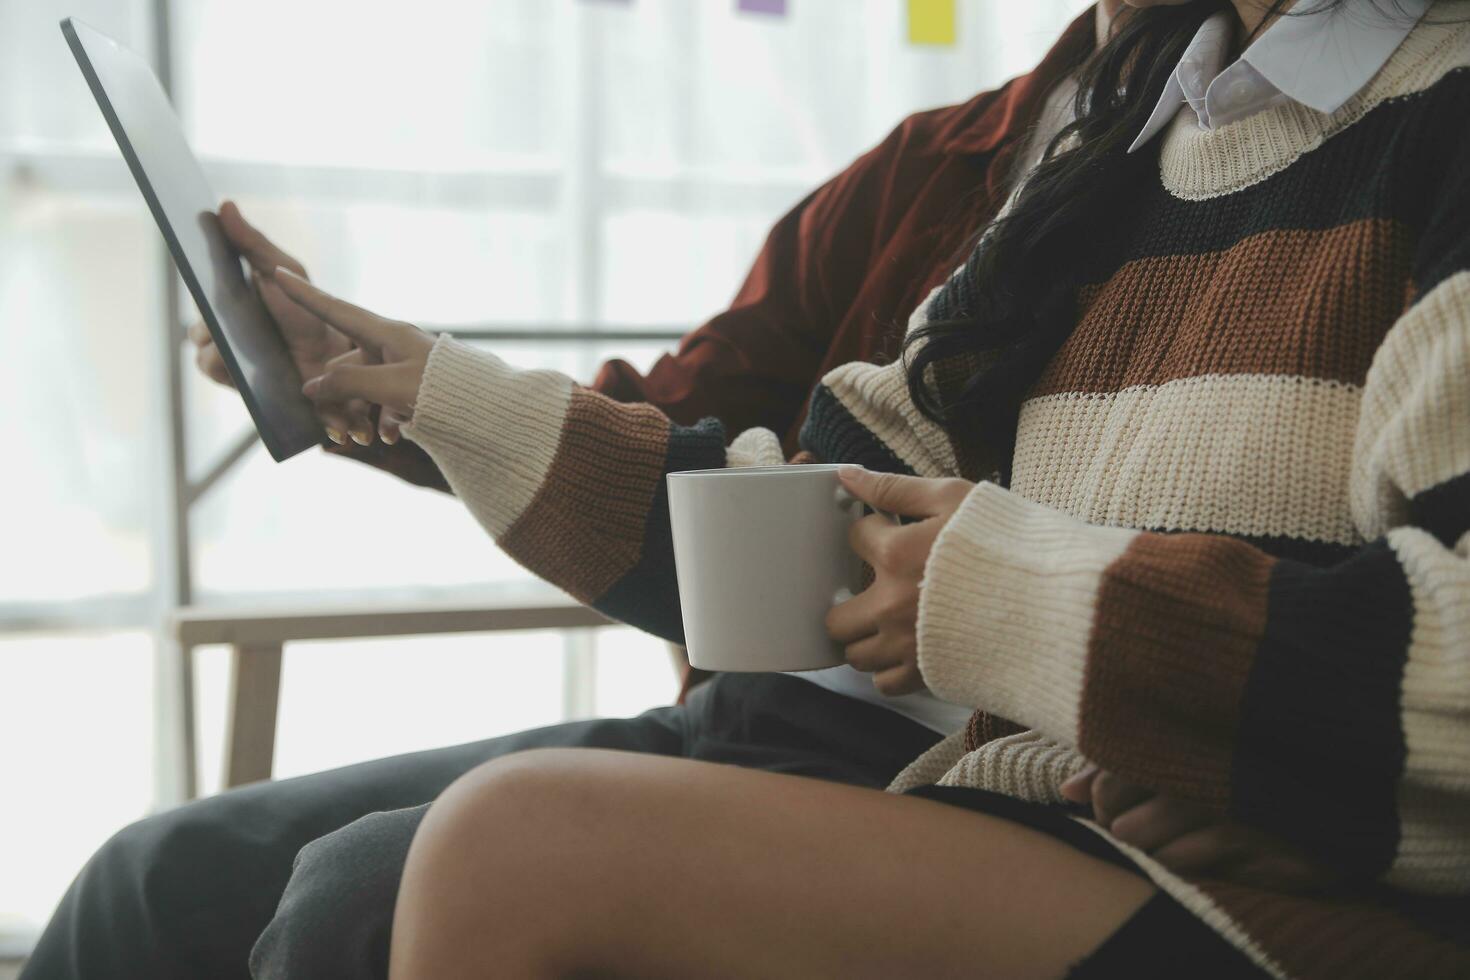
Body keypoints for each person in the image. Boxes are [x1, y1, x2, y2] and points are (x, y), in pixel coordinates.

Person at [247, 0, 1470, 975]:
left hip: (1276, 905)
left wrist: (1017, 601)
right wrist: (433, 390)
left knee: (499, 847)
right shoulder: (1127, 145)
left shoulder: (1441, 115)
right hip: (1056, 828)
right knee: (376, 879)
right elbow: (803, 521)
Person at [19, 9, 1171, 980]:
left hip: (985, 771)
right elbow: (664, 421)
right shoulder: (945, 161)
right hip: (762, 716)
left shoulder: (1283, 168)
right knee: (149, 877)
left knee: (354, 894)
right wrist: (375, 381)